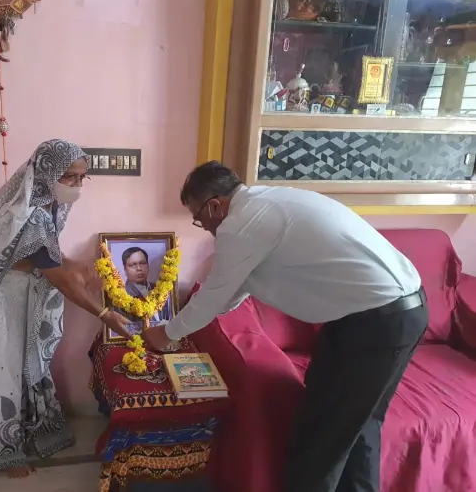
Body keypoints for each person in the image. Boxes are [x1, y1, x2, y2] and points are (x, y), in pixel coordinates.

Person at [142, 161, 429, 492]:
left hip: (375, 324)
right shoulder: (270, 201)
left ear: (214, 206)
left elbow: (213, 296)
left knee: (320, 439)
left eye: (199, 218)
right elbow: (231, 292)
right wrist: (181, 326)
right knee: (357, 428)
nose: (203, 227)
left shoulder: (240, 224)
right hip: (395, 314)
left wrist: (166, 334)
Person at [0, 140, 131, 476]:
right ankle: (1, 452)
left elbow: (45, 254)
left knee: (21, 363)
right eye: (70, 177)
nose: (77, 185)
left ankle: (25, 432)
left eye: (82, 177)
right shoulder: (30, 212)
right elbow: (58, 277)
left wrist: (77, 265)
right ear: (47, 173)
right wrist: (103, 314)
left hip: (11, 291)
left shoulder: (45, 203)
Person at [118, 246, 172, 334]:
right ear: (125, 270)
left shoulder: (160, 288)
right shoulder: (121, 295)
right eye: (133, 265)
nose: (139, 268)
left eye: (142, 263)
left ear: (148, 266)